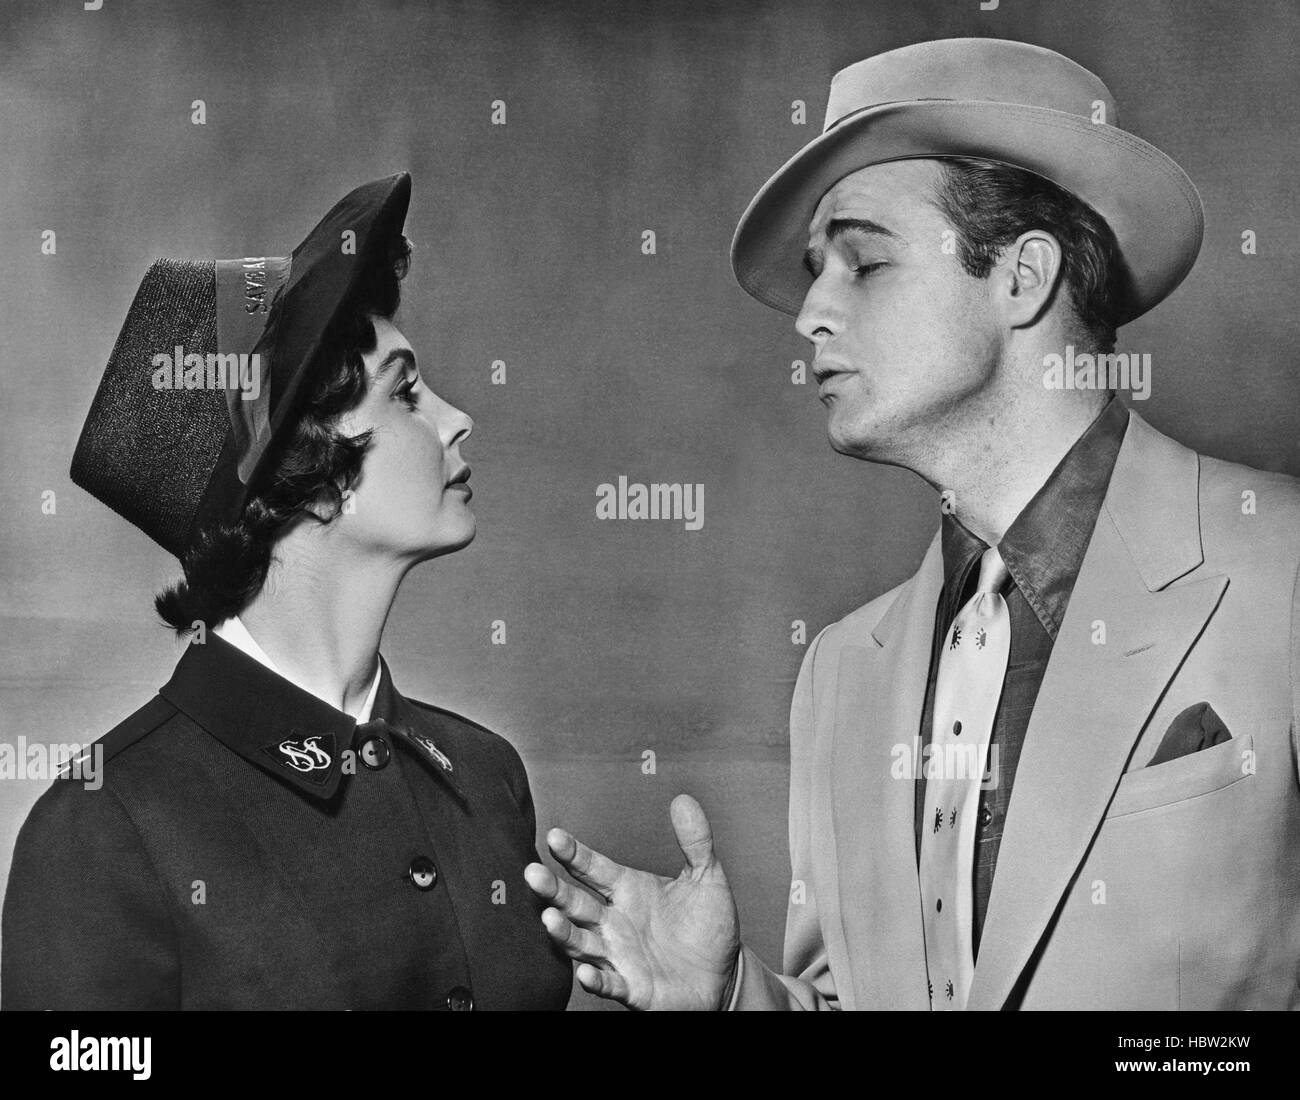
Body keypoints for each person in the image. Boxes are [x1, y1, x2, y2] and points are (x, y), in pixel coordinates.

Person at [524, 38, 1300, 1010]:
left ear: (1022, 277)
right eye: (815, 270)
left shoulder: (1280, 566)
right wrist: (734, 996)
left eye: (863, 260)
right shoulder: (840, 673)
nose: (808, 312)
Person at [2, 173, 572, 1010]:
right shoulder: (101, 828)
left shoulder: (486, 777)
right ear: (308, 477)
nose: (456, 421)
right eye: (407, 392)